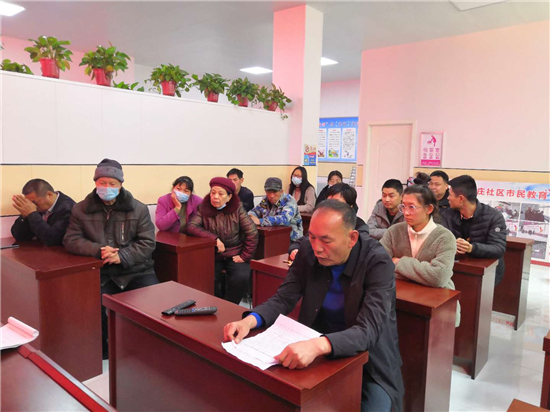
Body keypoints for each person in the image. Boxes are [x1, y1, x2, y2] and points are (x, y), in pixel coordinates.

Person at [224, 201, 404, 412]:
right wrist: (249, 321)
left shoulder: (377, 262)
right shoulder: (308, 251)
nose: (317, 248)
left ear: (352, 238)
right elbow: (284, 298)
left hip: (369, 361)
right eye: (312, 237)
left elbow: (368, 330)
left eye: (326, 240)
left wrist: (317, 345)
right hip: (318, 352)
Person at [63, 159, 158, 359]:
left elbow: (148, 243)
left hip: (137, 270)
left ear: (121, 184)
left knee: (154, 301)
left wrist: (122, 256)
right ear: (95, 182)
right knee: (90, 304)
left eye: (112, 183)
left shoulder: (138, 209)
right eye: (102, 182)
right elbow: (71, 240)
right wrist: (99, 250)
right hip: (102, 271)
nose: (107, 187)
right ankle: (104, 350)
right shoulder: (81, 209)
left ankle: (146, 348)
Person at [380, 184, 460, 326]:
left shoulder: (445, 237)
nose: (406, 212)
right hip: (399, 298)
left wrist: (398, 263)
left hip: (437, 302)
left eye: (412, 207)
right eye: (403, 206)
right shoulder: (394, 231)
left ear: (429, 209)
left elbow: (439, 276)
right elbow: (379, 264)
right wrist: (423, 272)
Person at [187, 177, 258, 304]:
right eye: (213, 192)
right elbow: (192, 226)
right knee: (207, 277)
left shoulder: (237, 208)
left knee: (241, 277)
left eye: (220, 194)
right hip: (214, 255)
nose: (215, 197)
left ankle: (230, 306)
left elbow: (252, 232)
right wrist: (214, 239)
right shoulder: (203, 207)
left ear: (229, 197)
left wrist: (245, 256)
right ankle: (216, 305)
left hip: (235, 253)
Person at [441, 175, 507, 285]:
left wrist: (471, 248)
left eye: (450, 195)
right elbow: (441, 240)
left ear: (461, 198)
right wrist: (452, 246)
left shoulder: (494, 216)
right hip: (452, 270)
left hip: (486, 274)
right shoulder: (447, 215)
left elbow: (498, 248)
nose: (448, 198)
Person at [289, 183, 368, 260]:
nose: (329, 206)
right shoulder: (322, 223)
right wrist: (295, 250)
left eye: (336, 203)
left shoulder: (360, 226)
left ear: (350, 206)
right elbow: (302, 241)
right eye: (328, 202)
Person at [11, 179, 75, 246]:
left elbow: (52, 239)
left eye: (33, 202)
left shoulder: (67, 208)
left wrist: (32, 214)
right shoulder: (39, 208)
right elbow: (19, 236)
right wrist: (24, 216)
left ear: (49, 195)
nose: (32, 205)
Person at [248, 177, 303, 242]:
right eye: (269, 192)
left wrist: (261, 221)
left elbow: (285, 219)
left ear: (281, 192)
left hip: (293, 239)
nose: (271, 196)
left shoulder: (289, 200)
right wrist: (250, 217)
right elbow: (255, 211)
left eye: (275, 192)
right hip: (272, 236)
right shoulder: (265, 200)